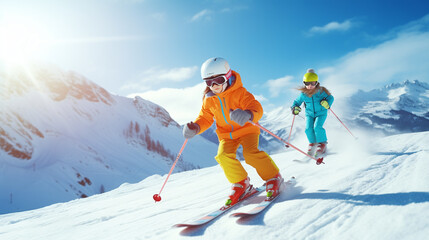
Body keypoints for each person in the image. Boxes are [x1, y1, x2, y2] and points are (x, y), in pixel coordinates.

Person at [183, 57, 283, 206]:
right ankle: (242, 184)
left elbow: (256, 107)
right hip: (226, 135)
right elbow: (205, 118)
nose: (214, 86)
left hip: (247, 129)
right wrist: (196, 127)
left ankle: (274, 177)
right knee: (223, 156)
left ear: (228, 77)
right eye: (209, 82)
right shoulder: (209, 100)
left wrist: (248, 114)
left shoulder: (240, 93)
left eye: (218, 80)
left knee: (250, 154)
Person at [291, 69, 334, 157]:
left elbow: (331, 98)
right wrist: (295, 108)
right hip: (309, 114)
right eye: (307, 83)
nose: (310, 86)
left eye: (313, 83)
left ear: (317, 83)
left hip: (321, 113)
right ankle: (312, 143)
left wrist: (327, 104)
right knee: (308, 129)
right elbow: (297, 102)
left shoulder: (321, 92)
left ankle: (322, 144)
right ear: (304, 83)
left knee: (317, 127)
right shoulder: (303, 94)